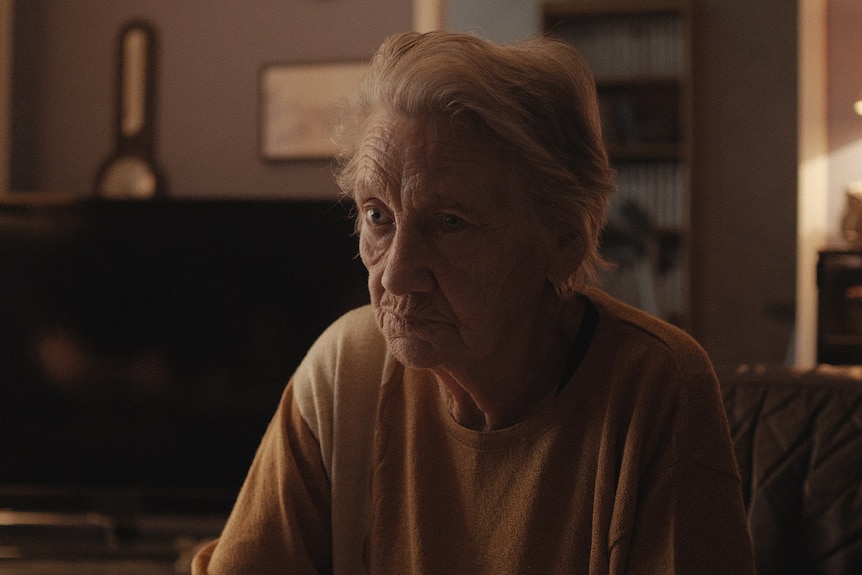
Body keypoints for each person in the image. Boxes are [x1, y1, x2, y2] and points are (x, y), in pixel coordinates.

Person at [192, 31, 755, 574]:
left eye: (451, 223)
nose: (397, 275)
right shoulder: (347, 369)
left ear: (564, 239)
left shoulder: (654, 386)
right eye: (377, 216)